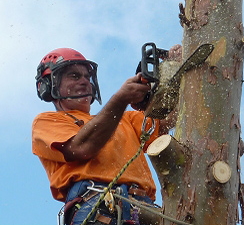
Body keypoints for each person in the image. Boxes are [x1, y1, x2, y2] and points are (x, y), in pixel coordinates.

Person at [32, 46, 179, 225]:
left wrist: (178, 71)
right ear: (48, 85)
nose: (84, 81)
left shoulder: (126, 120)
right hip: (98, 204)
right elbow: (82, 148)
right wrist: (121, 99)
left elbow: (172, 120)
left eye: (87, 76)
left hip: (144, 208)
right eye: (74, 76)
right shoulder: (47, 122)